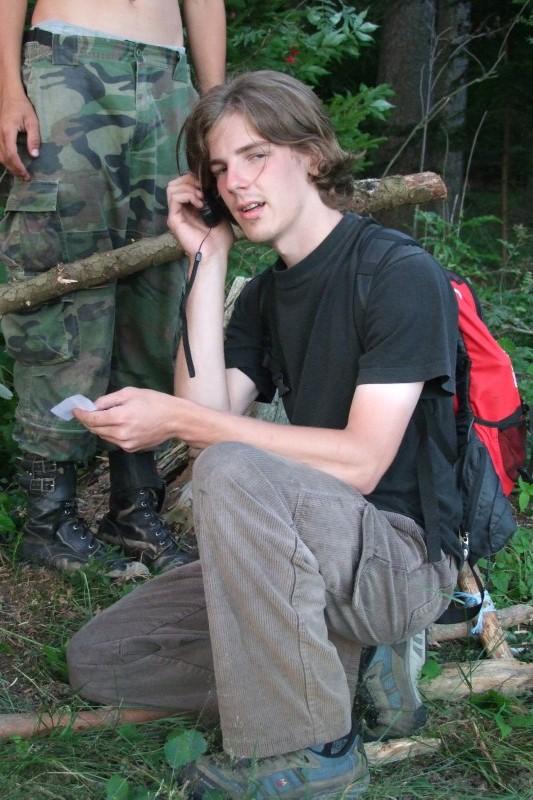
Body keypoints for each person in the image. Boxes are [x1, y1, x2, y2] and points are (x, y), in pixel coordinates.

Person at [67, 70, 463, 798]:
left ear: (311, 154)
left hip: (397, 558)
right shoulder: (267, 296)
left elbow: (362, 462)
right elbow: (207, 412)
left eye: (255, 155)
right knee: (107, 658)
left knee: (231, 467)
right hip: (298, 556)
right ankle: (340, 668)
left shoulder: (397, 272)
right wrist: (205, 259)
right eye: (220, 168)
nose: (236, 183)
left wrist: (179, 419)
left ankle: (312, 747)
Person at [0, 0, 226, 575]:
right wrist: (8, 89)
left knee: (163, 288)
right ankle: (49, 519)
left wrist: (215, 112)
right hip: (66, 63)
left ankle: (134, 508)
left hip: (169, 79)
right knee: (62, 282)